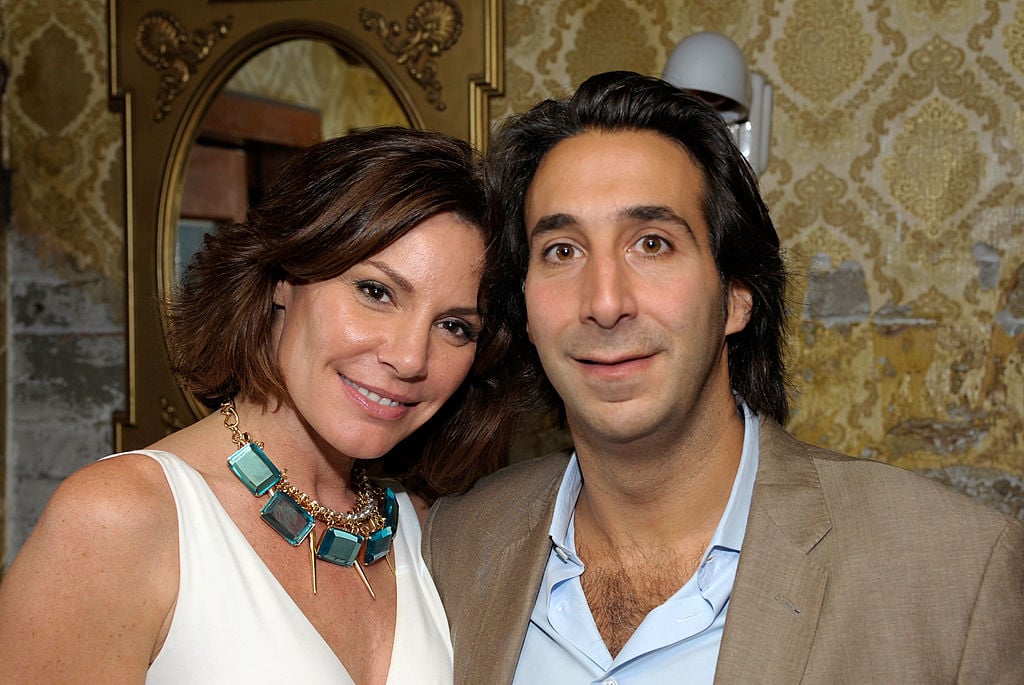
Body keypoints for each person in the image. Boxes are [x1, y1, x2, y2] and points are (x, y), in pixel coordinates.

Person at [423, 71, 1024, 683]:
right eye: (562, 251)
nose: (604, 303)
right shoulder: (455, 546)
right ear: (525, 310)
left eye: (652, 244)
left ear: (736, 295)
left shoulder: (954, 574)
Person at [0, 126, 522, 683]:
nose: (411, 357)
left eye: (454, 326)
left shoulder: (422, 531)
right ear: (282, 278)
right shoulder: (121, 518)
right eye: (375, 292)